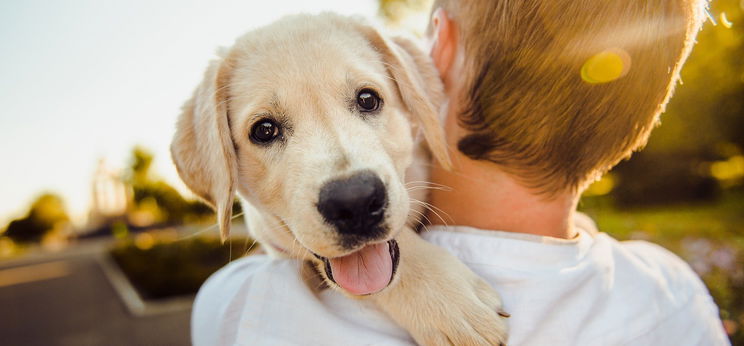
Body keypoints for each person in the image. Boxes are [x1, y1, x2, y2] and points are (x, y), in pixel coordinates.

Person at [192, 0, 731, 345]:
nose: (349, 181)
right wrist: (407, 274)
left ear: (436, 56)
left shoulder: (241, 309)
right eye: (267, 131)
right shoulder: (674, 293)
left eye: (365, 99)